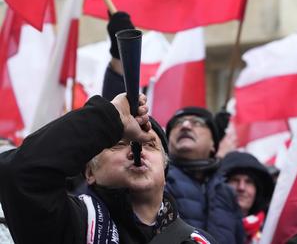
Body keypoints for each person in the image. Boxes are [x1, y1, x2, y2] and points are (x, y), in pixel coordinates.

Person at [0, 93, 216, 244]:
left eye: (150, 145)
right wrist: (108, 118)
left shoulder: (197, 241)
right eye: (119, 145)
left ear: (165, 170)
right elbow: (20, 172)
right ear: (90, 173)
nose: (136, 151)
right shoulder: (71, 222)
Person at [164, 107, 245, 244]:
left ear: (213, 144)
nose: (185, 126)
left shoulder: (226, 192)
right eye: (178, 123)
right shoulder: (160, 179)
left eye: (197, 123)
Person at [219, 151, 275, 244]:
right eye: (235, 180)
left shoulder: (271, 229)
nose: (241, 187)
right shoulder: (208, 224)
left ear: (258, 190)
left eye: (249, 182)